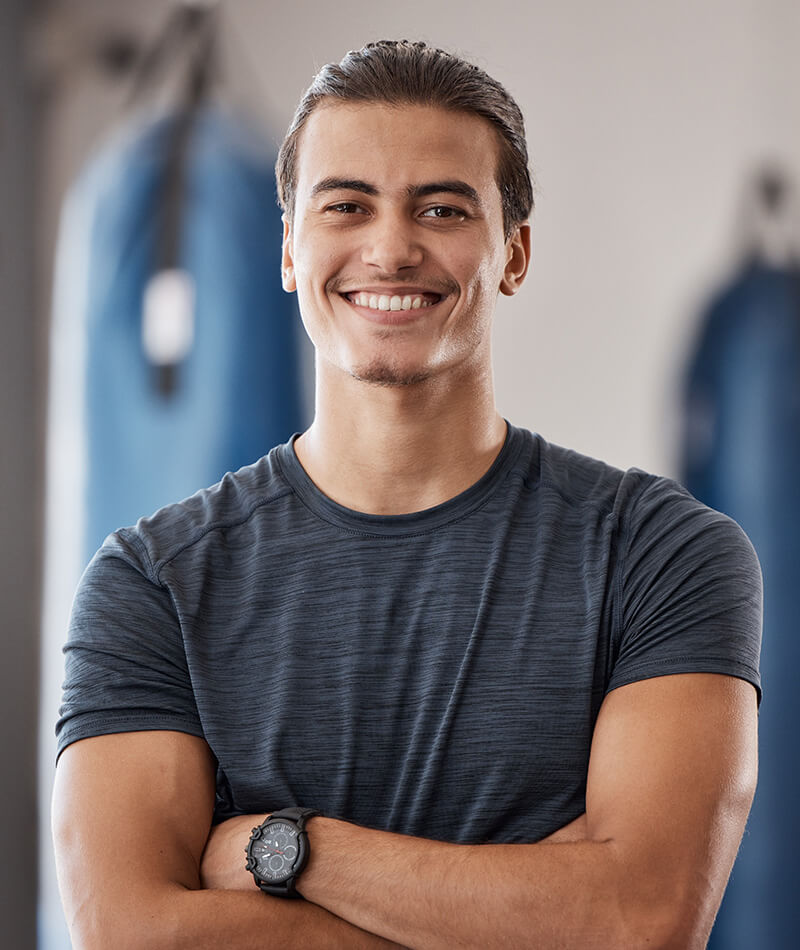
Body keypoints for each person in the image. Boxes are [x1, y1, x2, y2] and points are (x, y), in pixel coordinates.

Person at [53, 40, 762, 950]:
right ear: (289, 249)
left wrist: (290, 853)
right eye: (347, 206)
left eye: (441, 209)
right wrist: (527, 911)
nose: (391, 249)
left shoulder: (661, 555)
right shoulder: (150, 583)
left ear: (513, 254)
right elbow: (133, 934)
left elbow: (638, 919)